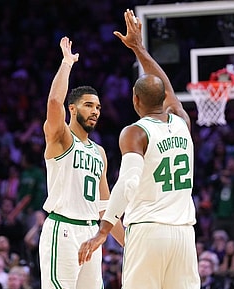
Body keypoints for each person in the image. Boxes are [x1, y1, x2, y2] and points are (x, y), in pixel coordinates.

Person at [78, 9, 200, 289]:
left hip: (148, 232)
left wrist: (104, 230)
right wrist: (139, 48)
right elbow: (167, 89)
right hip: (183, 235)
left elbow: (129, 182)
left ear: (135, 100)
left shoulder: (135, 132)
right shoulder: (182, 121)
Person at [38, 34, 124, 289]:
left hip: (90, 234)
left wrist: (130, 243)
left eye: (97, 107)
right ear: (73, 109)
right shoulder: (61, 138)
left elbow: (105, 207)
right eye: (88, 105)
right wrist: (67, 63)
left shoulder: (99, 152)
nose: (95, 111)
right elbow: (54, 102)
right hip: (62, 230)